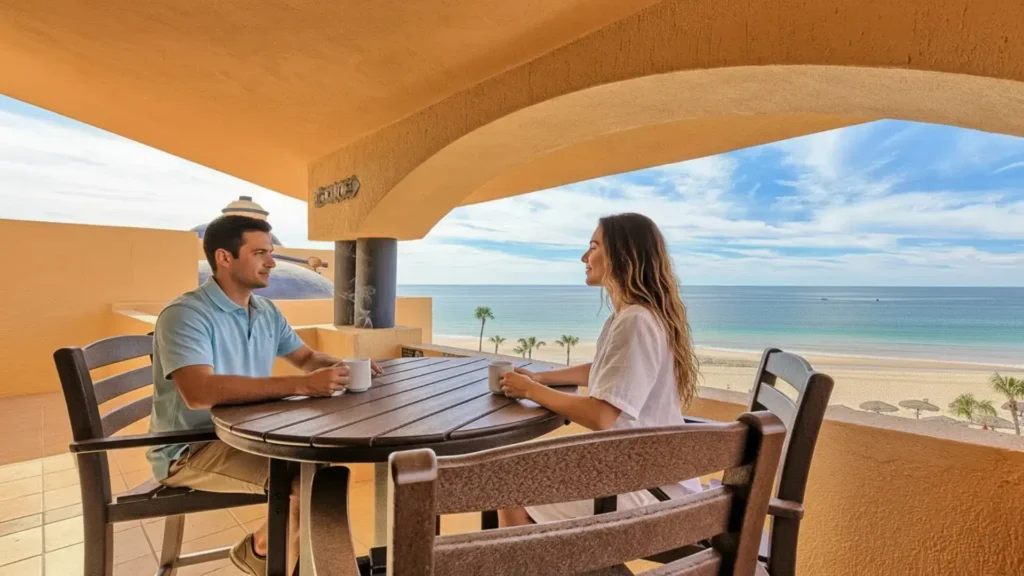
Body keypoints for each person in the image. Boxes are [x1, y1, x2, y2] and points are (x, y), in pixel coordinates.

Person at [146, 214, 380, 576]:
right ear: (224, 258)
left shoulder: (265, 310)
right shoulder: (186, 314)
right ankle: (284, 560)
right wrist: (303, 385)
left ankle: (261, 550)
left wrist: (345, 365)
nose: (272, 261)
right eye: (260, 253)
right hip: (192, 446)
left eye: (270, 252)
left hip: (247, 434)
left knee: (320, 471)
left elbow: (305, 358)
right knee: (312, 483)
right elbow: (198, 392)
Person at [498, 212, 701, 525]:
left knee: (510, 489)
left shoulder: (635, 320)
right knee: (518, 477)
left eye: (593, 247)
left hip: (649, 489)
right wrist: (541, 377)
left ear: (623, 255)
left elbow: (602, 415)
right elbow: (606, 370)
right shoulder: (632, 316)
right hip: (645, 471)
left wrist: (531, 390)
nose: (584, 257)